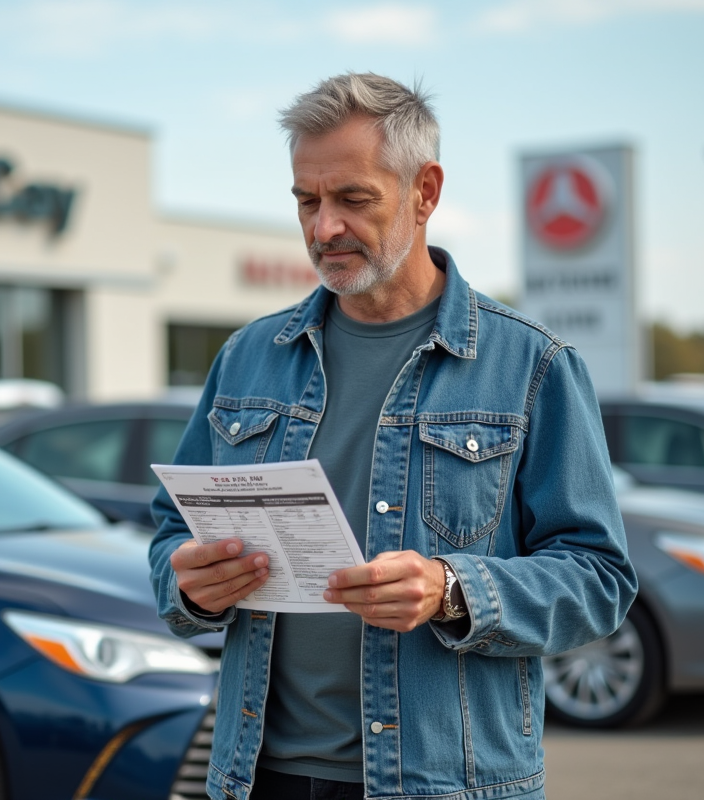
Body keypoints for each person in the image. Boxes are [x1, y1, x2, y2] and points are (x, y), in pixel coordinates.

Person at [149, 73, 637, 800]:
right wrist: (188, 583)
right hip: (257, 776)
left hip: (444, 785)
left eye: (352, 199)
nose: (322, 229)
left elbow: (600, 580)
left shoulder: (532, 366)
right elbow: (166, 538)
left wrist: (452, 588)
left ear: (426, 191)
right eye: (307, 201)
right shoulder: (246, 358)